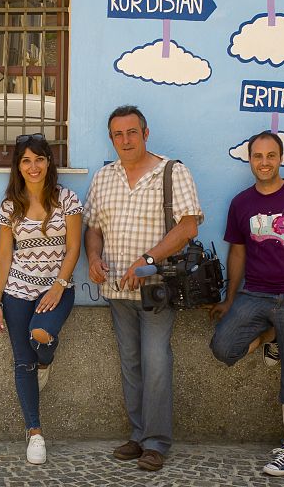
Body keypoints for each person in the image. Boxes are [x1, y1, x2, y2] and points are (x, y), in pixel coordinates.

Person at [83, 105, 203, 471]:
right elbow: (93, 228)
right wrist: (92, 258)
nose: (125, 140)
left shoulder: (172, 172)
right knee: (131, 365)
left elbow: (188, 228)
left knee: (155, 363)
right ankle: (138, 436)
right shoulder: (104, 177)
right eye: (118, 134)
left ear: (145, 134)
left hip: (156, 291)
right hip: (118, 292)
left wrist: (147, 260)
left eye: (132, 132)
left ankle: (156, 442)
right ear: (111, 138)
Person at [209, 131, 284, 477]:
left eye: (270, 156)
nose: (264, 162)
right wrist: (230, 299)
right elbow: (238, 252)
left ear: (280, 158)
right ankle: (268, 337)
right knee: (222, 346)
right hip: (255, 294)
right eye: (257, 156)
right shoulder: (241, 202)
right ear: (250, 160)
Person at [0, 133, 83, 465]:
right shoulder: (9, 207)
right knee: (22, 360)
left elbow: (74, 247)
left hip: (56, 288)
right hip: (17, 290)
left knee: (41, 336)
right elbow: (4, 256)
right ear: (18, 166)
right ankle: (35, 433)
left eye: (39, 159)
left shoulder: (67, 200)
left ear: (48, 162)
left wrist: (59, 285)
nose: (33, 166)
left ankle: (46, 360)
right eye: (26, 160)